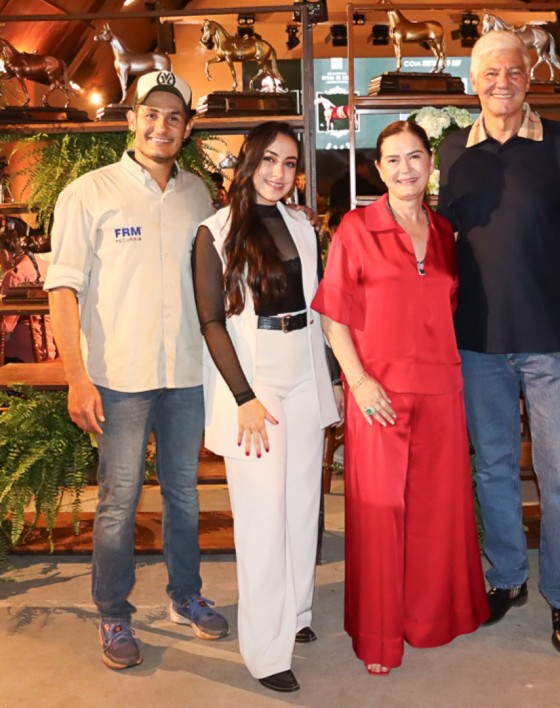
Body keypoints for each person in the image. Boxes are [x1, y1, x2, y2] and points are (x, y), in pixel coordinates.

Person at [45, 70, 229, 672]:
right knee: (118, 501)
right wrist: (77, 377)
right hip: (118, 379)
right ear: (131, 121)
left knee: (184, 493)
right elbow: (62, 291)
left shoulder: (198, 196)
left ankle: (185, 596)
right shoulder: (88, 193)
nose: (161, 126)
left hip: (186, 374)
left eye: (174, 117)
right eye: (150, 114)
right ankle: (113, 613)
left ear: (188, 128)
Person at [437, 30, 560, 653]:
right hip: (477, 343)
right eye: (490, 74)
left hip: (553, 342)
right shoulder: (452, 151)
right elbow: (440, 248)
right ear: (473, 83)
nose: (502, 83)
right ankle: (507, 578)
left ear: (529, 78)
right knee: (493, 469)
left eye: (513, 72)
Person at [313, 120, 489, 675]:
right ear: (378, 168)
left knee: (437, 513)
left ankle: (430, 619)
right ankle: (380, 635)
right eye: (393, 159)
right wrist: (358, 382)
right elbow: (333, 317)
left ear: (430, 164)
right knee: (381, 513)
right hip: (378, 393)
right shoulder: (357, 227)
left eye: (415, 157)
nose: (405, 169)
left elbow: (445, 310)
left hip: (441, 389)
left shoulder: (444, 232)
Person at [193, 121, 340, 694]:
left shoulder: (301, 224)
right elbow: (211, 321)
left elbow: (318, 306)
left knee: (303, 504)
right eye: (270, 160)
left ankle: (295, 613)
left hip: (303, 366)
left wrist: (331, 378)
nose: (280, 173)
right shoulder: (215, 232)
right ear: (248, 163)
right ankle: (265, 650)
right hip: (255, 376)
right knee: (262, 515)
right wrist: (244, 397)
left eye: (290, 163)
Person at [0, 231, 54, 363]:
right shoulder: (48, 266)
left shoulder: (14, 275)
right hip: (52, 346)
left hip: (24, 350)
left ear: (5, 253)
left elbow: (6, 327)